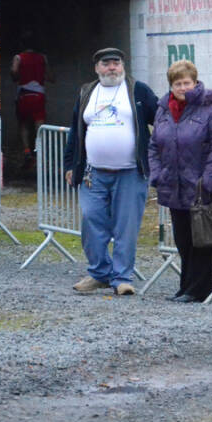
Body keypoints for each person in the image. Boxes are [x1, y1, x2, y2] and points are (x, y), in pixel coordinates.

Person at [64, 48, 158, 296]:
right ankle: (99, 273)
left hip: (130, 173)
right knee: (91, 220)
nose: (111, 68)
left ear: (123, 66)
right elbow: (75, 130)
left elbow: (162, 119)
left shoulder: (138, 90)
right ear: (97, 68)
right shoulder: (87, 92)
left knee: (125, 227)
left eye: (116, 63)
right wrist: (69, 165)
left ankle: (122, 278)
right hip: (92, 173)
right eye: (106, 64)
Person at [148, 60, 212, 303]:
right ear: (171, 86)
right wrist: (157, 173)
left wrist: (209, 180)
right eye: (178, 83)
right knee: (183, 239)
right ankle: (186, 285)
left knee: (202, 239)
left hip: (200, 185)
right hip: (173, 184)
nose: (183, 87)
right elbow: (154, 145)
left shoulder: (211, 109)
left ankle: (199, 289)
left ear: (195, 82)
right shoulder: (163, 110)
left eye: (187, 82)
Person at [10, 39, 52, 161]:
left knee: (23, 124)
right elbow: (50, 76)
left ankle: (27, 150)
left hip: (24, 95)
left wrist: (17, 76)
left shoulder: (18, 57)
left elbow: (14, 72)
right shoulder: (43, 58)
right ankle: (40, 150)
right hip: (39, 95)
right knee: (39, 124)